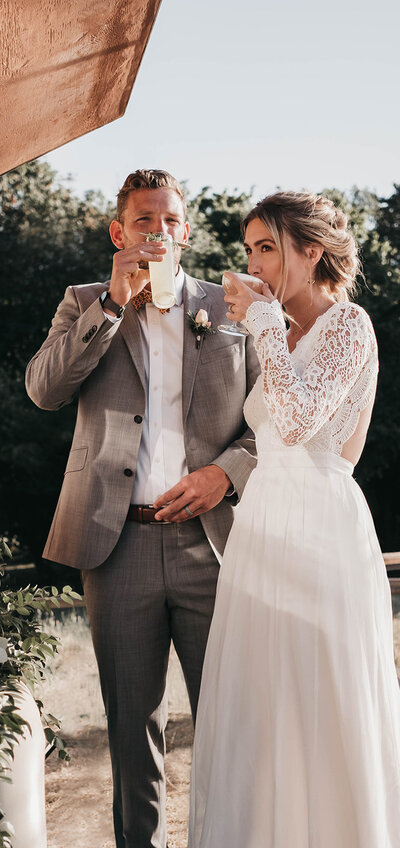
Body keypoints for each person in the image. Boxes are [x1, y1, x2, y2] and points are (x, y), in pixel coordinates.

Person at [25, 169, 260, 848]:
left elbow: (273, 422)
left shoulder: (229, 306)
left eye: (171, 221)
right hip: (117, 544)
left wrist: (226, 472)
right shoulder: (83, 301)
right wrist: (110, 303)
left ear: (187, 231)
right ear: (119, 231)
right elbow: (44, 389)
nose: (159, 233)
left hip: (212, 545)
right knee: (133, 729)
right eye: (145, 220)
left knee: (228, 723)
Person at [188, 192, 400, 847]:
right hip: (263, 527)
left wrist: (265, 326)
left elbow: (303, 422)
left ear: (312, 251)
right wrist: (267, 328)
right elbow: (267, 423)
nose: (253, 261)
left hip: (322, 526)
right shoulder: (276, 330)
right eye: (250, 247)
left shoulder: (349, 324)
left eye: (267, 246)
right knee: (265, 704)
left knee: (321, 697)